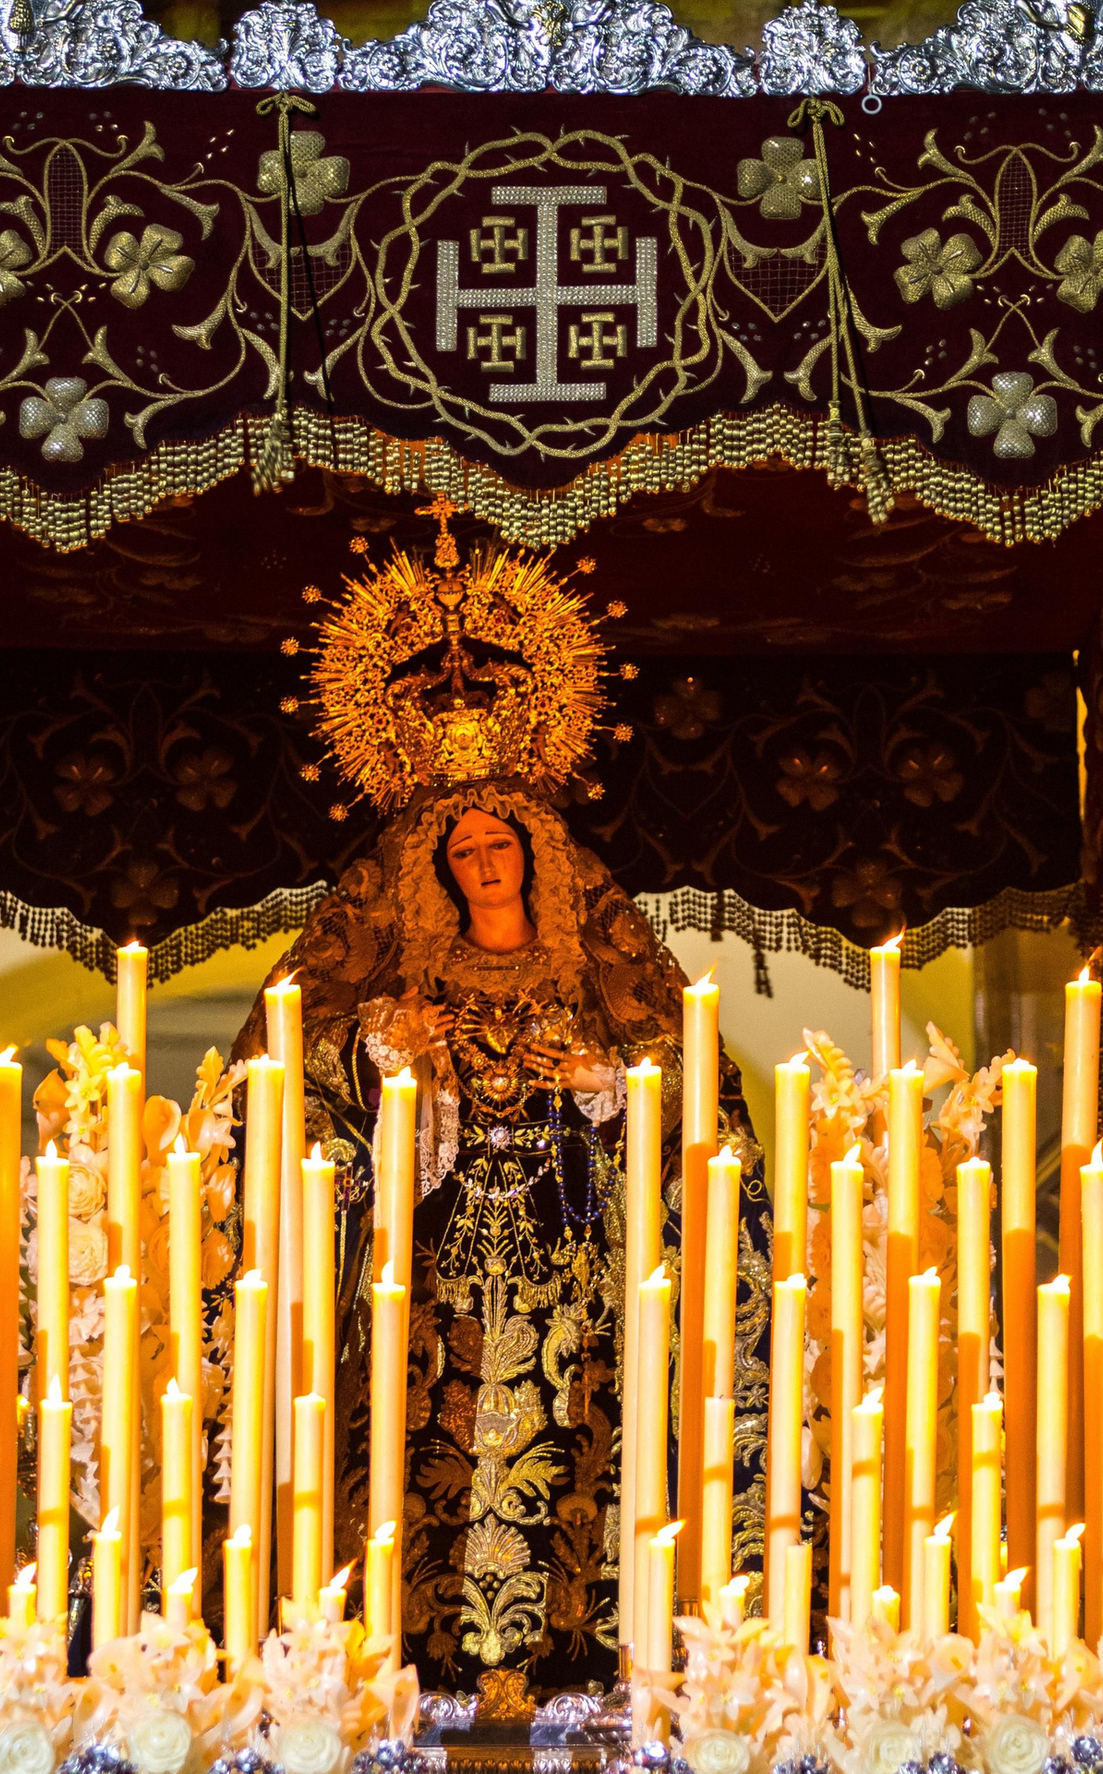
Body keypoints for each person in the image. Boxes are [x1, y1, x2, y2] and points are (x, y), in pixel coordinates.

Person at [234, 519, 772, 1707]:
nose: (483, 860)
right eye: (464, 848)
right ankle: (407, 1664)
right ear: (437, 869)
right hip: (427, 1284)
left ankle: (582, 1663)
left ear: (534, 852)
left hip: (574, 1275)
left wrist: (608, 1089)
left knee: (575, 1452)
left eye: (500, 841)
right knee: (416, 1452)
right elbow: (283, 1096)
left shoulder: (602, 973)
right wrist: (386, 1064)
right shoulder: (400, 987)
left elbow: (695, 1101)